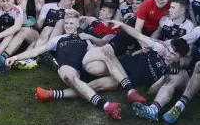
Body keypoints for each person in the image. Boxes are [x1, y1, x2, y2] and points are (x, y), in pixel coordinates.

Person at [31, 18, 190, 113]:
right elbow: (137, 34)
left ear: (180, 57)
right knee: (94, 67)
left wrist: (166, 76)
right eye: (169, 50)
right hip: (119, 63)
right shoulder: (161, 48)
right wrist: (121, 23)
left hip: (129, 79)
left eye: (172, 54)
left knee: (98, 85)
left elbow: (151, 90)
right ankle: (73, 58)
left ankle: (52, 94)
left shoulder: (172, 71)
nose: (168, 54)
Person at [6, 10, 122, 120]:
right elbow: (36, 51)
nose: (68, 26)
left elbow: (94, 53)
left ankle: (54, 94)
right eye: (66, 23)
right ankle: (105, 105)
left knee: (113, 82)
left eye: (71, 23)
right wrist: (15, 57)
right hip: (69, 67)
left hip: (86, 68)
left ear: (77, 25)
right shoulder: (58, 39)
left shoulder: (84, 38)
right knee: (70, 78)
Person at [130, 9, 200, 123]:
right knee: (171, 78)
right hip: (191, 74)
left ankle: (179, 107)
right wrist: (155, 44)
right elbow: (178, 41)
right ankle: (153, 110)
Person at [2, 0, 77, 70]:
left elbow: (71, 31)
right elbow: (39, 26)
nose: (74, 3)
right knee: (26, 30)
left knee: (49, 28)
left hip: (58, 41)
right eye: (72, 0)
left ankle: (30, 58)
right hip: (42, 37)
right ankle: (4, 56)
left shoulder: (73, 13)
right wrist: (32, 22)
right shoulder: (48, 6)